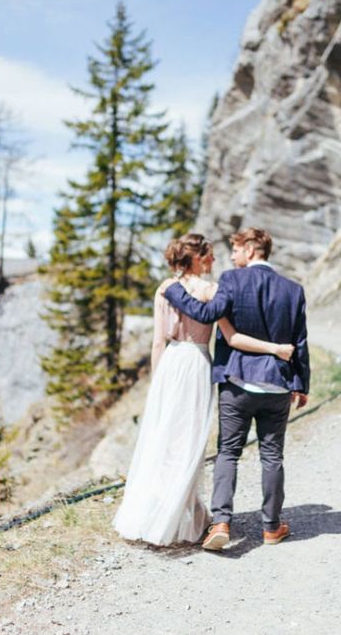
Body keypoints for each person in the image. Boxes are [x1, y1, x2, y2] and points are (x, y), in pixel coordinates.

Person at [112, 233, 295, 546]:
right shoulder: (211, 290)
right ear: (196, 257)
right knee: (189, 440)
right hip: (196, 362)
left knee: (164, 438)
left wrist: (157, 385)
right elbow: (232, 336)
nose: (213, 261)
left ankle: (160, 513)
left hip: (170, 362)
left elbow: (157, 341)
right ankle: (186, 515)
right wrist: (277, 349)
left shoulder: (163, 288)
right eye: (208, 255)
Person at [163, 227, 310, 551]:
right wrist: (301, 385)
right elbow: (300, 342)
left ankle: (221, 522)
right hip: (278, 385)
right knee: (272, 456)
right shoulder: (293, 290)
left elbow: (207, 314)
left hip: (238, 383)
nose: (231, 256)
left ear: (252, 249)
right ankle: (272, 527)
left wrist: (173, 290)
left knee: (229, 452)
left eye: (236, 249)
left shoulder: (231, 280)